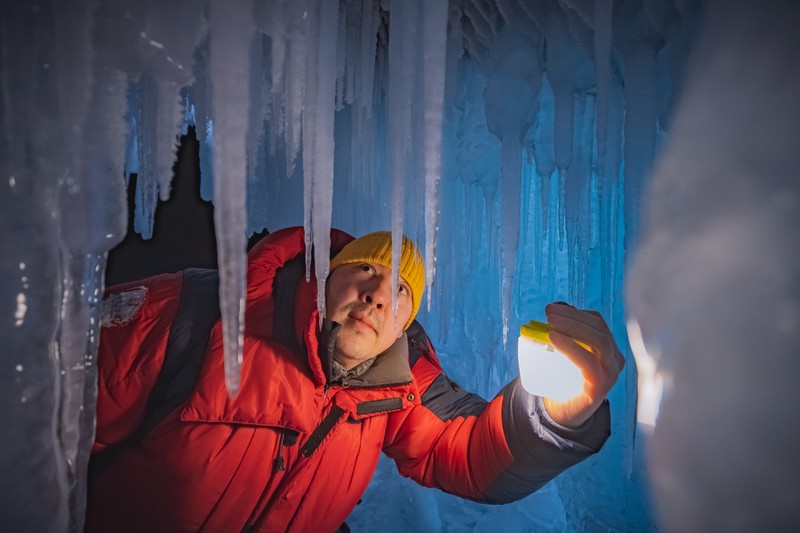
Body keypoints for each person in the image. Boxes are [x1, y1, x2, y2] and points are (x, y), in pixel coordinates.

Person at [87, 227, 624, 532]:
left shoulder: (400, 384)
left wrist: (557, 417)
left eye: (401, 291)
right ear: (325, 276)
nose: (377, 294)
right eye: (365, 269)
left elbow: (466, 450)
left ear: (403, 324)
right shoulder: (194, 315)